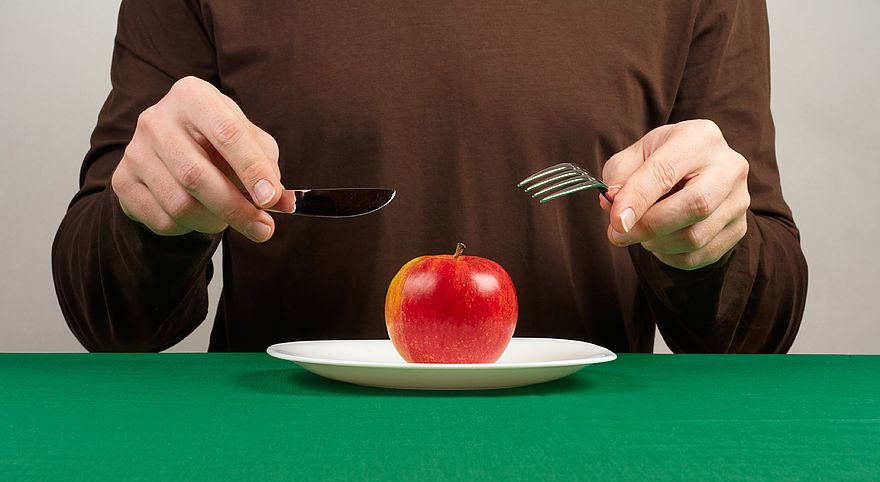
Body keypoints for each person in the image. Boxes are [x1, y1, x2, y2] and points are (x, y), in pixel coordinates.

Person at [52, 0, 807, 353]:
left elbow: (756, 330)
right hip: (279, 475)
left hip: (590, 477)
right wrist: (152, 221)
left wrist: (704, 243)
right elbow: (108, 317)